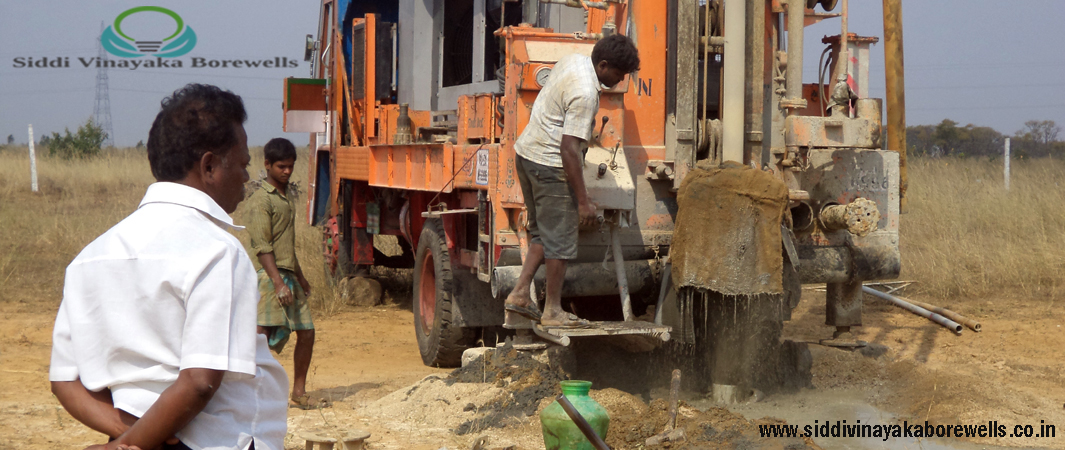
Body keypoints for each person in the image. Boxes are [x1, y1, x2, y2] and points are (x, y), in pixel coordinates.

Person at [49, 83, 287, 450]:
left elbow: (64, 380)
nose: (245, 178)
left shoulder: (91, 256)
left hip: (136, 436)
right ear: (209, 166)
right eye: (241, 164)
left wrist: (127, 438)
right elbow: (199, 381)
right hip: (221, 441)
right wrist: (137, 443)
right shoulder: (217, 251)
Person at [504, 34, 640, 327]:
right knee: (562, 240)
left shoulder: (574, 62)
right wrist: (583, 202)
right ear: (603, 65)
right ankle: (552, 310)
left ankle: (519, 294)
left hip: (527, 155)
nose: (618, 81)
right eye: (617, 74)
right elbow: (568, 149)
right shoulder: (586, 93)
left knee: (543, 234)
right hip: (550, 164)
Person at [245, 137, 318, 409]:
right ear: (267, 165)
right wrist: (277, 283)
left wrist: (300, 278)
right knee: (259, 336)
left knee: (307, 332)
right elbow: (263, 247)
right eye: (281, 167)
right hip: (269, 277)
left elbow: (286, 243)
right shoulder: (260, 201)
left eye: (290, 166)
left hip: (288, 274)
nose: (287, 172)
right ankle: (248, 393)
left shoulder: (287, 198)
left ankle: (299, 392)